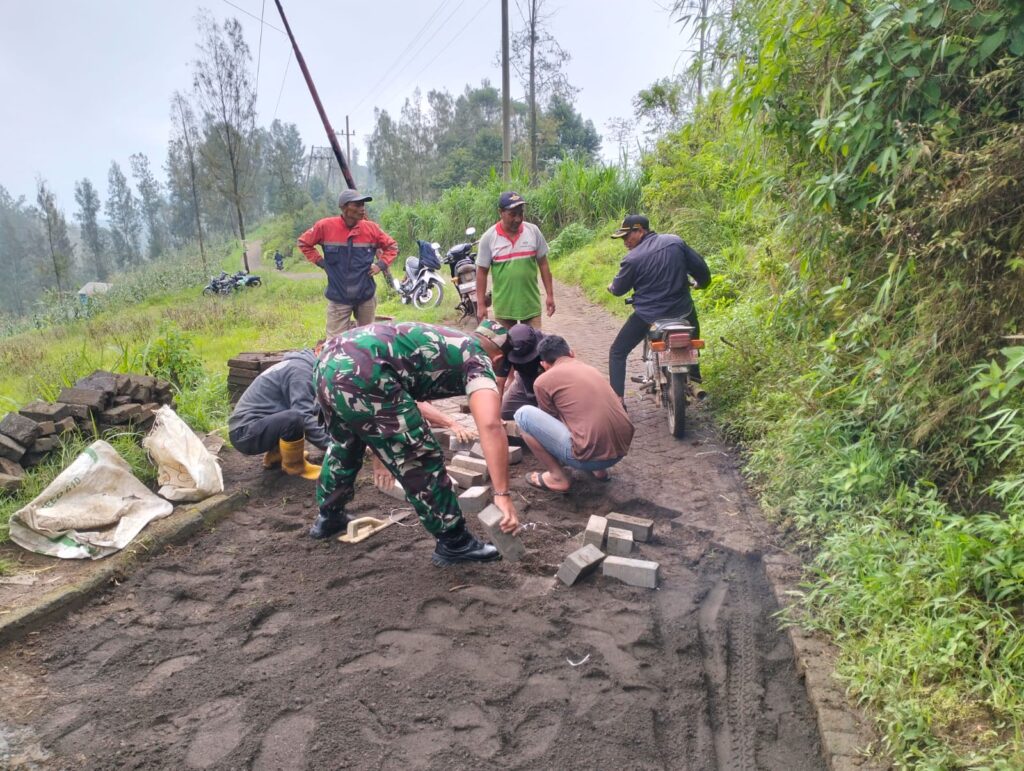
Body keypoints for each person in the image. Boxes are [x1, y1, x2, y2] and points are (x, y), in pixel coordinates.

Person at [309, 320, 520, 568]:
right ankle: (454, 542)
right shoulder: (478, 360)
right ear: (498, 359)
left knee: (345, 444)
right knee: (419, 456)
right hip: (365, 373)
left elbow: (395, 400)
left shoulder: (445, 339)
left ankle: (329, 516)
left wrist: (384, 455)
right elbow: (490, 425)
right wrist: (502, 494)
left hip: (329, 362)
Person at [606, 214, 711, 401]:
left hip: (648, 315)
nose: (625, 242)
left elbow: (619, 289)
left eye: (626, 236)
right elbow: (702, 270)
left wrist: (611, 288)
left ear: (640, 231)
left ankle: (617, 401)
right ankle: (694, 372)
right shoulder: (675, 242)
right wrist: (700, 284)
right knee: (692, 323)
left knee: (617, 351)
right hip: (681, 310)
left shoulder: (632, 259)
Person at [514, 335, 634, 493]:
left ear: (544, 364)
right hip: (620, 450)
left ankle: (557, 477)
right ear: (572, 353)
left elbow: (551, 419)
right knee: (581, 412)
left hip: (589, 459)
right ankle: (600, 471)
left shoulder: (542, 381)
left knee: (523, 415)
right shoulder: (591, 369)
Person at [297, 189, 399, 337]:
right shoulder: (325, 227)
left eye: (363, 204)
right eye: (357, 205)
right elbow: (304, 243)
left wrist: (380, 265)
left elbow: (392, 247)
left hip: (366, 296)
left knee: (367, 340)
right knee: (334, 343)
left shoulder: (371, 229)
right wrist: (321, 262)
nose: (362, 208)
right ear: (344, 207)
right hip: (338, 297)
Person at [228, 348, 327, 480]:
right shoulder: (301, 371)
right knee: (294, 418)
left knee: (293, 415)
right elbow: (304, 416)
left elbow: (313, 407)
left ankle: (277, 455)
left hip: (249, 428)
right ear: (319, 350)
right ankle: (295, 466)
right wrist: (334, 447)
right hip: (245, 433)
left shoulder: (298, 365)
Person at [475, 191, 554, 330]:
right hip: (504, 310)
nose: (518, 219)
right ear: (501, 212)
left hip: (531, 307)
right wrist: (481, 305)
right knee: (505, 349)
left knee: (534, 348)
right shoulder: (488, 237)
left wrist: (550, 295)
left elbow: (543, 264)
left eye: (520, 213)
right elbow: (481, 272)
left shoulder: (533, 232)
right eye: (512, 214)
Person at [498, 323, 546, 420]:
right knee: (504, 413)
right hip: (523, 381)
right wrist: (496, 416)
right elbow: (499, 382)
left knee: (547, 417)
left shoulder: (547, 344)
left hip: (548, 385)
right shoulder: (507, 346)